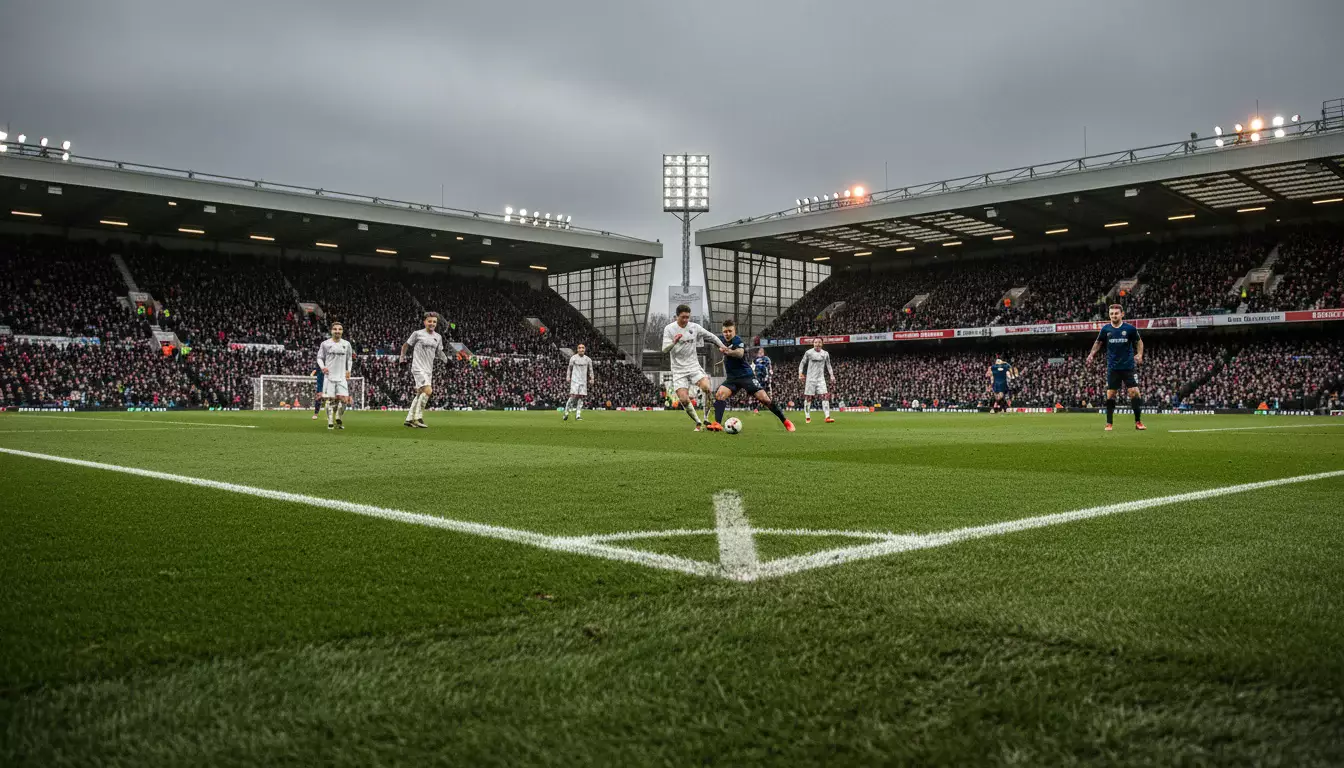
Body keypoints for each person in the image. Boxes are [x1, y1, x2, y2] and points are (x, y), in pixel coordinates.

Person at [712, 319, 794, 432]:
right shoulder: (721, 340)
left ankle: (786, 421)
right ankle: (717, 424)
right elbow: (712, 339)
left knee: (765, 399)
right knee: (720, 394)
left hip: (746, 376)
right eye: (725, 331)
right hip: (732, 378)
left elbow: (740, 353)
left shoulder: (737, 340)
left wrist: (727, 352)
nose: (727, 334)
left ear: (734, 331)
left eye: (730, 331)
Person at [661, 304, 728, 432]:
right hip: (678, 369)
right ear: (676, 316)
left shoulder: (694, 327)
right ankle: (698, 422)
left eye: (688, 317)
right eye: (683, 317)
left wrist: (722, 346)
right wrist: (673, 342)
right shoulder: (669, 329)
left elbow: (711, 336)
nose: (686, 320)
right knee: (683, 398)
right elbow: (664, 349)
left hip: (693, 366)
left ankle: (706, 418)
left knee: (707, 388)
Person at [1086, 303, 1145, 431]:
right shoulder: (1106, 329)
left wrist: (1139, 354)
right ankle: (1109, 423)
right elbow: (1098, 343)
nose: (1114, 315)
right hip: (1113, 368)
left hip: (1128, 366)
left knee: (1134, 392)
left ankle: (1138, 422)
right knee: (1111, 394)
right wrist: (1091, 354)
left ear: (1122, 314)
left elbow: (1139, 341)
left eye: (1116, 313)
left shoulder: (1130, 329)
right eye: (1111, 313)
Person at [400, 312, 449, 428]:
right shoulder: (417, 334)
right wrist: (402, 359)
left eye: (434, 322)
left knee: (420, 393)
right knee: (428, 391)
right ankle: (417, 418)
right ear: (424, 322)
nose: (432, 324)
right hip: (418, 367)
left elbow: (439, 352)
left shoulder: (438, 337)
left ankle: (409, 419)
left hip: (428, 369)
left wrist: (447, 361)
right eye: (430, 321)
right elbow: (405, 346)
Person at [316, 322, 354, 430]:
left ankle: (338, 415)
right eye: (335, 329)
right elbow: (319, 357)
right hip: (329, 377)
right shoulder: (325, 344)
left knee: (345, 401)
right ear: (331, 331)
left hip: (342, 377)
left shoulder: (346, 344)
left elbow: (350, 358)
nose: (337, 331)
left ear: (342, 331)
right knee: (329, 401)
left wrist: (349, 370)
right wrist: (323, 367)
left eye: (340, 329)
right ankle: (330, 422)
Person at [798, 338, 836, 424]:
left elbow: (828, 365)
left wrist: (831, 375)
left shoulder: (825, 353)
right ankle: (807, 417)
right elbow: (802, 363)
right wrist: (800, 373)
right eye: (815, 342)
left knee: (825, 396)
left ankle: (827, 417)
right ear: (813, 344)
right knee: (808, 398)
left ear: (822, 344)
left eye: (819, 342)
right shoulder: (808, 352)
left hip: (821, 379)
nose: (817, 344)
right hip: (810, 379)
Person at [563, 343, 594, 421]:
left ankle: (578, 415)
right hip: (575, 380)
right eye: (579, 348)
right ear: (577, 349)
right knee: (573, 396)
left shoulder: (588, 359)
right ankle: (566, 412)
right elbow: (569, 368)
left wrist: (592, 378)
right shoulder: (573, 358)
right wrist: (568, 376)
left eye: (583, 348)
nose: (581, 349)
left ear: (585, 349)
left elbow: (591, 370)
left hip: (583, 381)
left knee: (581, 397)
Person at [751, 348, 773, 413]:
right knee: (761, 394)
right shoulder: (755, 360)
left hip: (766, 379)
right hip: (758, 379)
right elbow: (752, 367)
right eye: (759, 351)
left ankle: (767, 407)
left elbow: (769, 368)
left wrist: (768, 376)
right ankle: (758, 408)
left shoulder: (766, 359)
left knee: (768, 394)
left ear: (763, 353)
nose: (760, 352)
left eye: (761, 351)